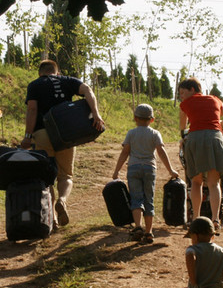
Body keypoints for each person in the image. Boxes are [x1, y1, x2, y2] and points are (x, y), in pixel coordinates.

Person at [20, 59, 105, 227]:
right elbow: (88, 90)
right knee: (65, 175)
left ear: (40, 73)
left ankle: (52, 218)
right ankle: (63, 200)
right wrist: (96, 114)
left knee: (46, 178)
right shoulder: (67, 81)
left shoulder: (35, 85)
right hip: (66, 134)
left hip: (42, 133)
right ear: (56, 72)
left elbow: (32, 110)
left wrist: (27, 136)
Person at [111, 103, 179, 244]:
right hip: (149, 169)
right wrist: (170, 170)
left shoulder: (131, 133)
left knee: (136, 198)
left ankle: (138, 227)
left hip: (134, 168)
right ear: (152, 120)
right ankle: (148, 232)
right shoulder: (155, 134)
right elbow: (161, 152)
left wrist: (117, 171)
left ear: (135, 118)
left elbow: (125, 152)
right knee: (149, 200)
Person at [178, 77, 223, 233]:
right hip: (215, 138)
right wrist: (216, 126)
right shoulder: (215, 99)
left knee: (196, 181)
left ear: (192, 90)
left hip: (195, 139)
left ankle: (196, 219)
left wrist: (184, 137)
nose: (181, 96)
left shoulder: (185, 104)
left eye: (183, 92)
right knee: (214, 182)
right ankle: (215, 220)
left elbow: (183, 127)